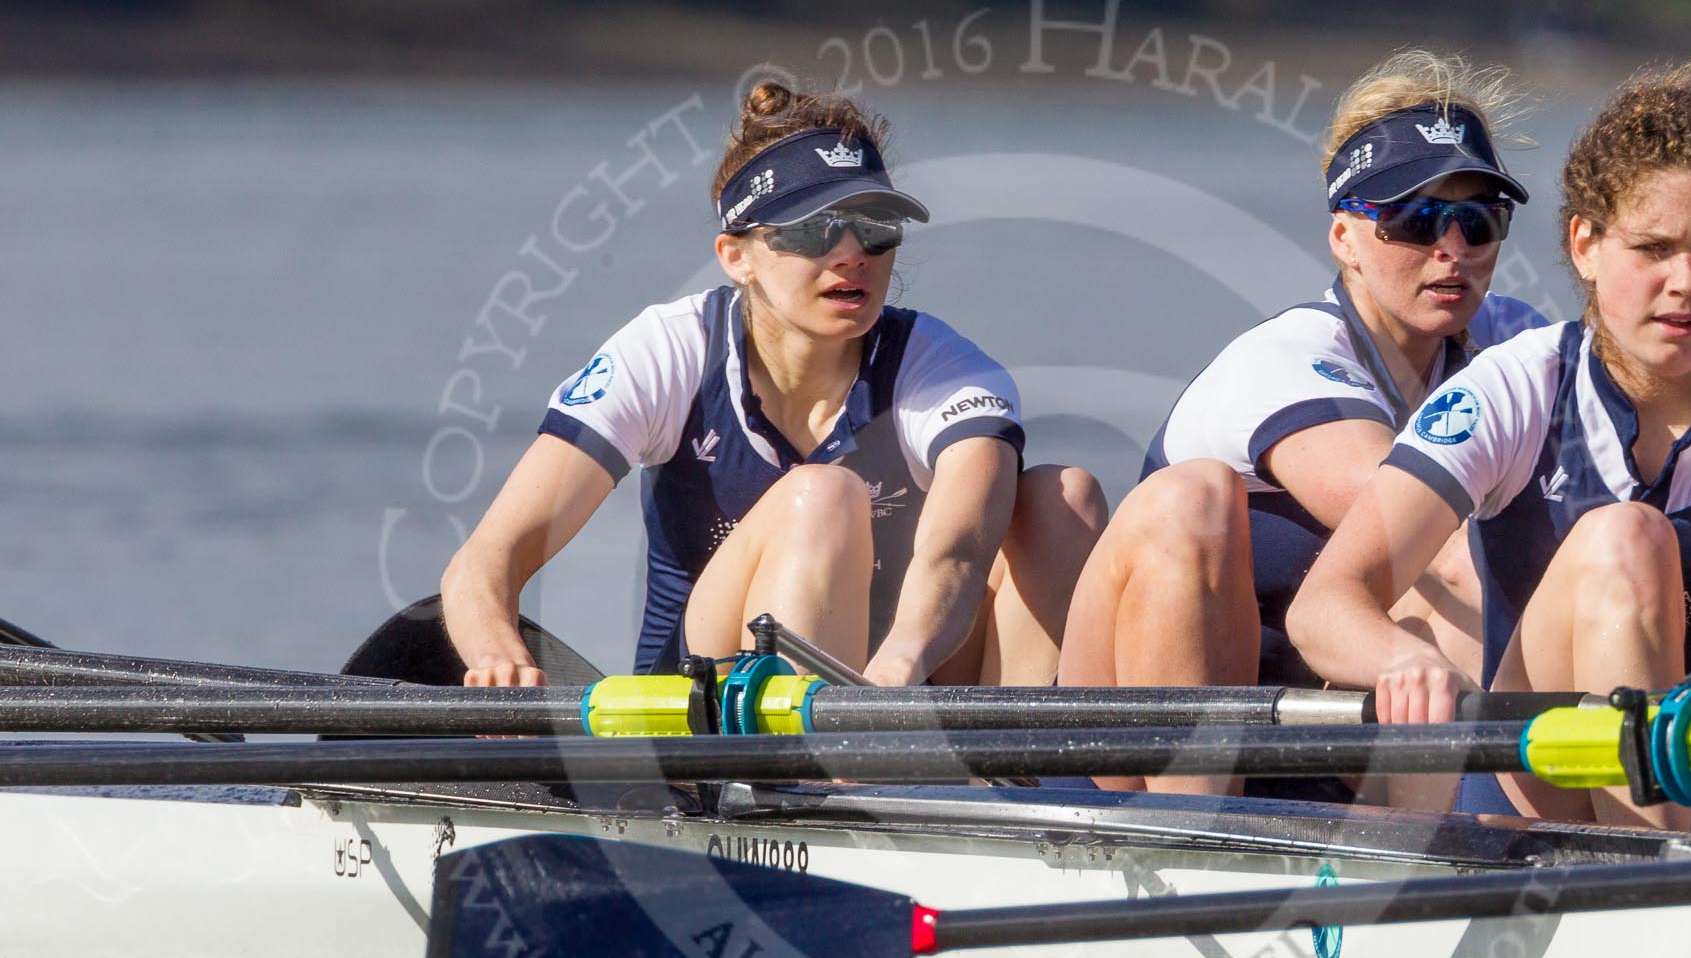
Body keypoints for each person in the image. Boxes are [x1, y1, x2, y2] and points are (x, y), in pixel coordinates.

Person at [1288, 61, 1691, 843]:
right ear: (1586, 245)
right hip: (1553, 783)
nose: (1686, 283)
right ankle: (1651, 874)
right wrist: (1401, 660)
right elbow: (1326, 602)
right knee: (1625, 536)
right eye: (1653, 248)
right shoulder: (1513, 388)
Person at [442, 84, 1105, 688]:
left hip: (897, 696)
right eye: (815, 229)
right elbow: (485, 562)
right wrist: (499, 657)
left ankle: (1032, 785)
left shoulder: (942, 368)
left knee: (1062, 498)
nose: (852, 254)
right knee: (819, 498)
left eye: (875, 226)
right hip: (706, 706)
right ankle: (795, 776)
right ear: (736, 257)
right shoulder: (666, 352)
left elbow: (959, 550)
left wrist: (900, 662)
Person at [1056, 50, 1544, 795]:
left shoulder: (1513, 342)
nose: (1452, 250)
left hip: (1316, 743)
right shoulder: (1287, 360)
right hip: (1129, 761)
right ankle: (1189, 839)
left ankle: (1457, 853)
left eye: (1478, 221)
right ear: (1345, 239)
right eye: (1416, 221)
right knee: (1204, 499)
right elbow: (1437, 547)